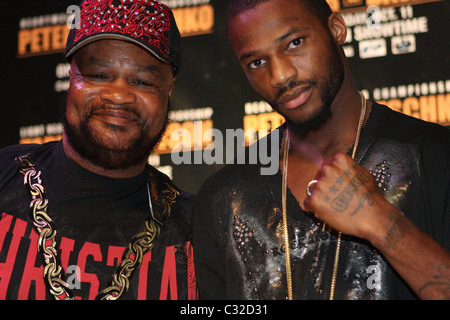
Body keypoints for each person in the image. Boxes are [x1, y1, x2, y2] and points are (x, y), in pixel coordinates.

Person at [193, 0, 450, 300]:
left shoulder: (435, 157)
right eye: (256, 63)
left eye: (294, 43)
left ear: (336, 29)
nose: (279, 76)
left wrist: (382, 222)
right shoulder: (223, 197)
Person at [0, 0, 197, 300]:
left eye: (142, 81)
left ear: (168, 91)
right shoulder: (4, 176)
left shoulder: (196, 228)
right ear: (71, 77)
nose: (118, 95)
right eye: (98, 75)